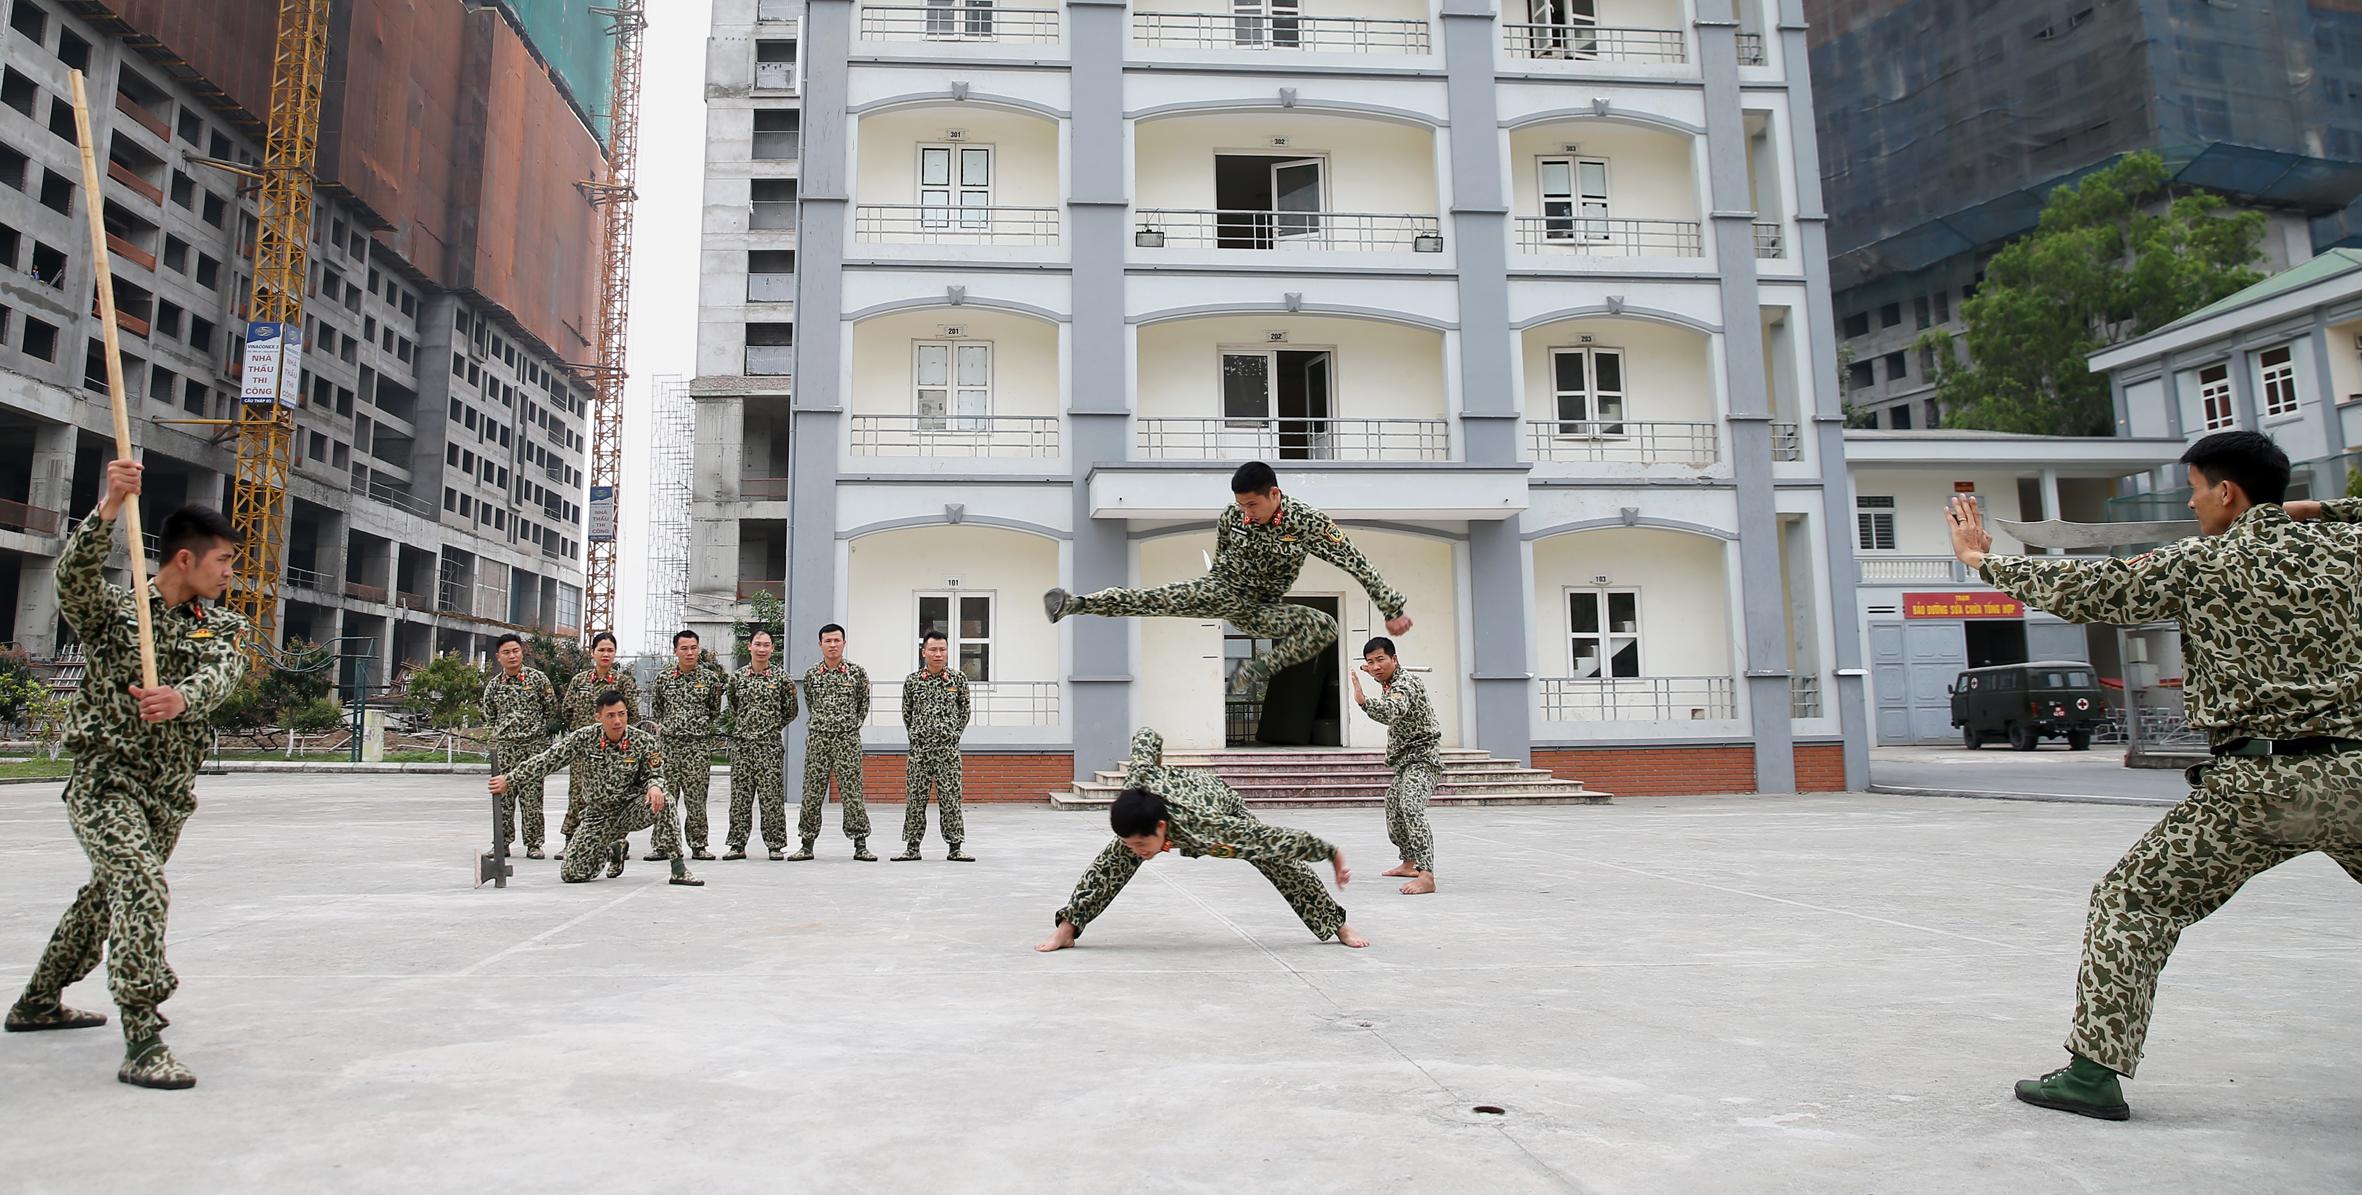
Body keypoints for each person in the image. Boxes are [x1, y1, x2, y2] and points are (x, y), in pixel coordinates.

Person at [1945, 430, 2362, 1121]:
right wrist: (2315, 513)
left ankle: (2092, 1075)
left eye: (2198, 489)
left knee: (2132, 901)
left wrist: (1984, 561)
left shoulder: (2204, 561)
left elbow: (2092, 589)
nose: (2193, 503)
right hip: (2355, 774)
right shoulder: (2349, 550)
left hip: (2255, 788)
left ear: (2226, 492)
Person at [6, 460, 247, 1090]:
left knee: (101, 902)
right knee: (140, 887)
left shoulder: (223, 625)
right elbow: (72, 580)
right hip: (105, 781)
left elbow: (222, 674)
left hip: (167, 795)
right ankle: (143, 1035)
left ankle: (37, 1001)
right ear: (187, 559)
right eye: (222, 561)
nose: (229, 573)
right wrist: (110, 506)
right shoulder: (118, 617)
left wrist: (182, 698)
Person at [1043, 461, 1413, 697]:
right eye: (1240, 505)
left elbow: (1355, 561)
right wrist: (1214, 586)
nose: (1246, 513)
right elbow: (1221, 557)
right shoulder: (1231, 518)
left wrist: (1392, 608)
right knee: (1153, 598)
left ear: (1274, 494)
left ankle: (1252, 671)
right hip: (1221, 590)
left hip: (1263, 610)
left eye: (1252, 505)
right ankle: (1075, 603)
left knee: (1325, 626)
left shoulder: (1308, 523)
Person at [1036, 728, 1367, 952]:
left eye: (1141, 845)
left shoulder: (1211, 828)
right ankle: (1069, 927)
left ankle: (1338, 925)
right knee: (1110, 862)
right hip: (1159, 806)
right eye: (1133, 844)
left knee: (1278, 862)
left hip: (1219, 802)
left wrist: (1332, 853)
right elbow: (1147, 736)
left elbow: (1275, 840)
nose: (1137, 852)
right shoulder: (1138, 785)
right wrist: (1157, 774)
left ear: (1162, 828)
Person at [490, 692, 703, 887]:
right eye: (610, 715)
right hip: (597, 815)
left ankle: (678, 868)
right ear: (598, 717)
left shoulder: (643, 741)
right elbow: (548, 759)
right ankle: (614, 848)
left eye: (622, 714)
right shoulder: (585, 738)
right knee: (572, 874)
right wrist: (510, 779)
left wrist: (655, 786)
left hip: (631, 809)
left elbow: (655, 773)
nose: (618, 721)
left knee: (664, 797)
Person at [1351, 636, 1439, 895]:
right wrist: (1372, 673)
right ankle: (1409, 862)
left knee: (1411, 806)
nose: (1375, 666)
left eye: (1381, 660)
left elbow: (1393, 709)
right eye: (1370, 662)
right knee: (1394, 808)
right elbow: (1380, 676)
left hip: (1423, 759)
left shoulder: (1405, 684)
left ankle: (1426, 875)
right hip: (1404, 762)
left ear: (1395, 659)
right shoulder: (1388, 680)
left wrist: (1363, 701)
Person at [793, 623, 873, 860]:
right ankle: (806, 843)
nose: (832, 645)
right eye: (828, 641)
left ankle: (860, 844)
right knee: (812, 792)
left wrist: (847, 726)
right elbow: (810, 704)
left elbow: (863, 706)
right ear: (820, 645)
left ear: (844, 643)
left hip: (847, 740)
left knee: (852, 792)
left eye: (837, 641)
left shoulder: (857, 673)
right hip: (819, 739)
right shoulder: (811, 675)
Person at [480, 632, 560, 859]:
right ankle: (502, 843)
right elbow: (490, 716)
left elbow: (550, 709)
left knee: (532, 797)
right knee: (503, 798)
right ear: (498, 657)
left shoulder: (538, 680)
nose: (512, 656)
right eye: (506, 652)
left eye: (515, 651)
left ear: (522, 652)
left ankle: (534, 844)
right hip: (505, 749)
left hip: (533, 748)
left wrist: (538, 737)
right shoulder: (494, 687)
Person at [895, 629, 973, 862]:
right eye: (933, 649)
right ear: (924, 652)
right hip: (919, 751)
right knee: (915, 799)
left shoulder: (958, 680)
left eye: (942, 649)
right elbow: (907, 713)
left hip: (948, 752)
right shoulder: (913, 681)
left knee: (951, 798)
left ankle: (955, 847)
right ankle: (912, 847)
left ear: (947, 652)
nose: (938, 654)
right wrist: (920, 735)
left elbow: (965, 712)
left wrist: (951, 735)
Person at [559, 631, 641, 850]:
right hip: (584, 750)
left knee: (614, 795)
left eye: (610, 650)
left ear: (615, 654)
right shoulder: (579, 681)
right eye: (601, 650)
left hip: (614, 751)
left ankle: (614, 842)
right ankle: (572, 839)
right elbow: (567, 710)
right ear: (592, 652)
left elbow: (632, 714)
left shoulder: (623, 682)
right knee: (577, 792)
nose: (606, 654)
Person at [649, 629, 726, 861]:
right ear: (675, 651)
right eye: (684, 648)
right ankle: (662, 845)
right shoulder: (663, 679)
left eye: (694, 648)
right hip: (669, 747)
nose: (690, 652)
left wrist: (698, 728)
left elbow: (714, 710)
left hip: (698, 748)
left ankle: (698, 844)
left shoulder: (710, 679)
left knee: (696, 797)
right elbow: (658, 709)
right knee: (665, 796)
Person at [723, 628, 798, 860]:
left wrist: (770, 727)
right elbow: (734, 707)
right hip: (743, 747)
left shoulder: (782, 679)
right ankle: (737, 844)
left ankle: (775, 845)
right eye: (758, 644)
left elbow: (791, 711)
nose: (762, 649)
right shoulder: (737, 677)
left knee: (772, 798)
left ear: (772, 649)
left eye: (766, 645)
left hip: (770, 747)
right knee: (740, 798)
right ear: (750, 647)